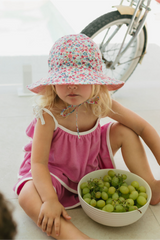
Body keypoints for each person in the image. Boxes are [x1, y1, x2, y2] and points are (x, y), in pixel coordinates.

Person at [13, 34, 160, 240]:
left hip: (90, 161)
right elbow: (38, 163)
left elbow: (143, 128)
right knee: (27, 194)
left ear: (95, 82)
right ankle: (73, 236)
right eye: (65, 80)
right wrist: (49, 199)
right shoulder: (48, 113)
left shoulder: (99, 102)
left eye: (81, 79)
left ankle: (152, 185)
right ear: (53, 83)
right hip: (54, 171)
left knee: (125, 130)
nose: (72, 86)